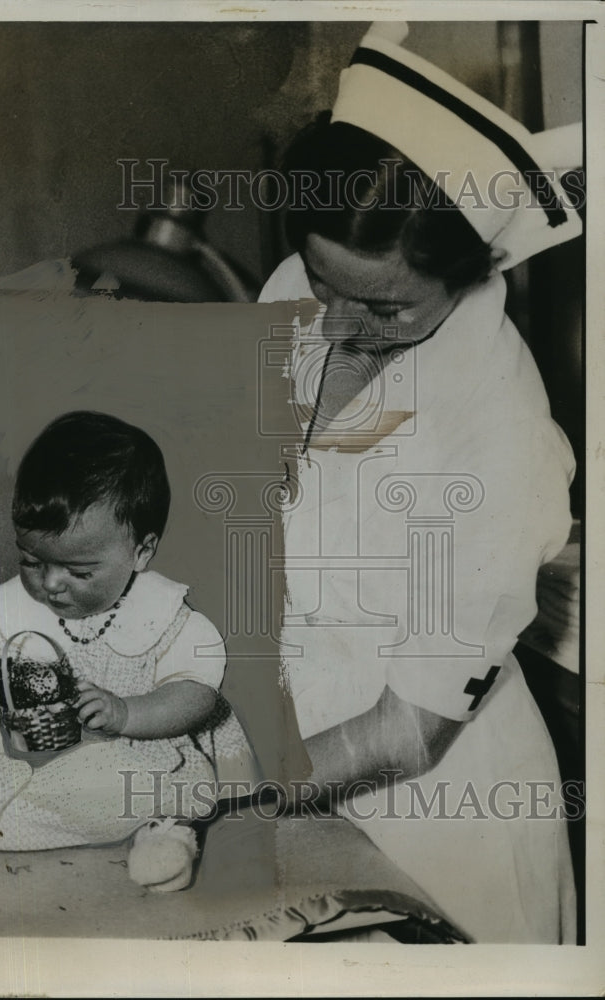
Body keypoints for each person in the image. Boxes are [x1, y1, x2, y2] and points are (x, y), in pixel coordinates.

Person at [260, 22, 582, 942]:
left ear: (473, 272)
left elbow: (409, 732)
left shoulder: (502, 439)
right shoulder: (302, 279)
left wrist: (221, 788)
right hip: (282, 760)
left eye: (389, 308)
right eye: (327, 285)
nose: (342, 329)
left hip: (442, 814)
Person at [0, 411, 255, 896]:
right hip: (24, 751)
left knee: (158, 782)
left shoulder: (164, 614)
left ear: (141, 552)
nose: (50, 583)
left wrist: (129, 712)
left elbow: (197, 697)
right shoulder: (17, 605)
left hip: (124, 748)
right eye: (31, 560)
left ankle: (163, 834)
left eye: (80, 571)